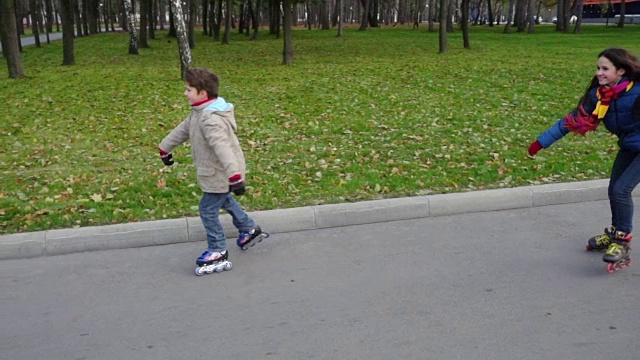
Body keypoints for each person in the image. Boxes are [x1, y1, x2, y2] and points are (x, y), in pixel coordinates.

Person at [528, 47, 640, 271]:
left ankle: (622, 241)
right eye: (598, 68)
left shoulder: (637, 92)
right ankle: (615, 232)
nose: (599, 73)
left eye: (605, 69)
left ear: (621, 70)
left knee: (621, 190)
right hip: (630, 146)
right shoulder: (600, 97)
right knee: (613, 189)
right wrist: (540, 142)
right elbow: (571, 121)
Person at [158, 67, 266, 275]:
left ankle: (218, 249)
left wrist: (235, 176)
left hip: (221, 172)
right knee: (225, 200)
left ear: (202, 93)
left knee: (207, 209)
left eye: (188, 89)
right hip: (220, 173)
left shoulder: (211, 119)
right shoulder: (199, 112)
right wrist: (164, 147)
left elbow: (222, 148)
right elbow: (183, 131)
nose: (185, 93)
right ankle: (248, 229)